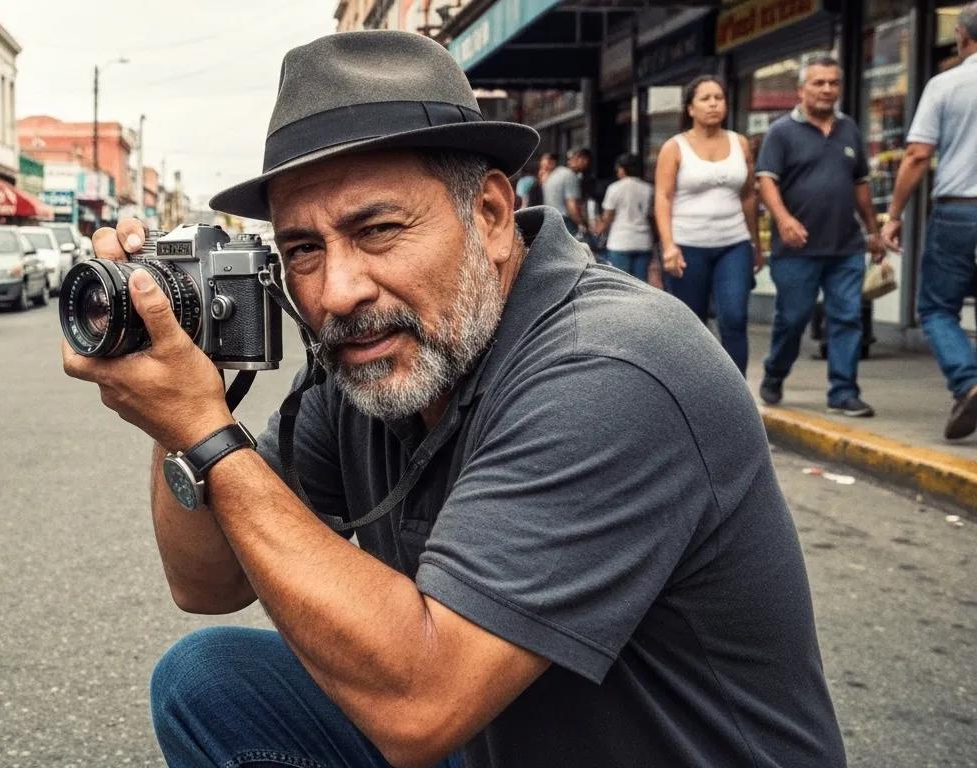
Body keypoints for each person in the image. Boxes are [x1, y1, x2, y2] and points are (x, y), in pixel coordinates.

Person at [63, 30, 843, 768]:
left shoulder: (613, 365)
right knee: (208, 681)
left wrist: (206, 432)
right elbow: (206, 583)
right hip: (498, 741)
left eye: (378, 230)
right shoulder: (371, 364)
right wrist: (174, 393)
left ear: (493, 217)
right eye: (304, 249)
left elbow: (419, 706)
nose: (338, 292)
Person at [756, 54, 885, 417]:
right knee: (793, 318)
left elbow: (860, 185)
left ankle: (844, 391)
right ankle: (775, 371)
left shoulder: (850, 130)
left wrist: (873, 232)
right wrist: (783, 220)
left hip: (845, 246)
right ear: (801, 89)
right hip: (797, 248)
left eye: (833, 82)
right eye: (818, 82)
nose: (827, 89)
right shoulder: (781, 132)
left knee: (847, 317)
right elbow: (766, 181)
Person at [881, 2, 977, 440]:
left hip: (959, 211)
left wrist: (894, 214)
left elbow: (918, 154)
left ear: (961, 35)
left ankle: (968, 381)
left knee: (937, 307)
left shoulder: (947, 83)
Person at [653, 74, 761, 375]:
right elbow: (663, 197)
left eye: (719, 98)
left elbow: (749, 196)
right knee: (692, 324)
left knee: (735, 317)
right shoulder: (674, 148)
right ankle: (697, 391)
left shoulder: (740, 143)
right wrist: (669, 246)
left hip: (734, 243)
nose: (714, 104)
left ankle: (737, 395)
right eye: (705, 98)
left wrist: (756, 245)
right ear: (690, 108)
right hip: (688, 245)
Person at [594, 152, 654, 282]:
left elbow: (608, 216)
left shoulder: (614, 188)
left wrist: (597, 229)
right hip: (643, 242)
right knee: (641, 287)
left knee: (621, 286)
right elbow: (651, 216)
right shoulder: (648, 188)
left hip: (620, 242)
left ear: (622, 169)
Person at [541, 147, 586, 234]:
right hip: (565, 222)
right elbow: (571, 205)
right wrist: (581, 223)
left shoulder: (551, 176)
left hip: (550, 221)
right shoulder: (569, 175)